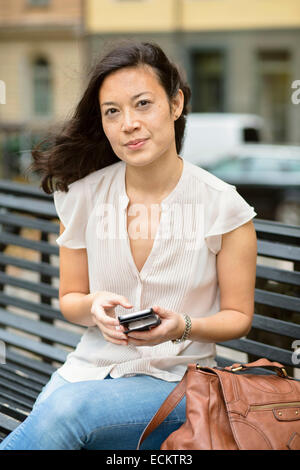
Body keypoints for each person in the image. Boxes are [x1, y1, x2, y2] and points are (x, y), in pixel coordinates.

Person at [0, 41, 257, 450]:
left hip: (177, 384)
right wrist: (94, 307)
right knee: (57, 416)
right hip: (89, 369)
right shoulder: (81, 196)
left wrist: (183, 327)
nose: (128, 124)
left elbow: (238, 317)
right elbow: (71, 298)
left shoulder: (223, 207)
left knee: (67, 415)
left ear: (176, 104)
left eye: (142, 104)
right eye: (113, 112)